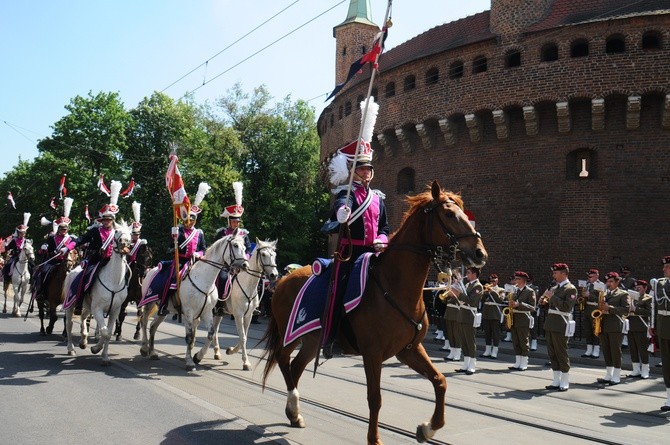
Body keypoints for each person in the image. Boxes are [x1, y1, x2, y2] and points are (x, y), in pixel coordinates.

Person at [322, 98, 389, 353]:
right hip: (351, 254)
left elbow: (384, 227)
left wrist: (383, 240)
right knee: (337, 290)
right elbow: (340, 207)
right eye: (361, 169)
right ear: (352, 171)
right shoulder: (347, 193)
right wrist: (342, 213)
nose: (366, 173)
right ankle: (331, 335)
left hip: (373, 253)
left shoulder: (377, 198)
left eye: (368, 169)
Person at [141, 183, 210, 316]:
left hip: (195, 262)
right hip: (180, 262)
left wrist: (199, 253)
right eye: (189, 219)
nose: (190, 222)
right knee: (170, 279)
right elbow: (169, 248)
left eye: (193, 220)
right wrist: (174, 241)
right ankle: (163, 304)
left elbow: (204, 249)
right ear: (185, 219)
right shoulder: (179, 230)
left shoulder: (199, 233)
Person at [64, 200, 119, 314]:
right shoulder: (95, 231)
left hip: (112, 261)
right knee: (84, 277)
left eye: (109, 220)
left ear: (112, 221)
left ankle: (120, 304)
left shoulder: (117, 232)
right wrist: (67, 248)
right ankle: (79, 302)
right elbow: (81, 239)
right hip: (96, 260)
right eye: (105, 219)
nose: (107, 222)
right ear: (101, 220)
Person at [540, 263, 577, 391]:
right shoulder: (555, 288)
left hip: (561, 323)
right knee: (552, 353)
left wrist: (552, 297)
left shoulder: (570, 289)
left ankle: (565, 380)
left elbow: (567, 307)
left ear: (563, 273)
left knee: (561, 352)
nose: (553, 275)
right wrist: (543, 301)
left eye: (556, 273)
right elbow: (549, 304)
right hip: (551, 323)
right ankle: (556, 380)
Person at [32, 199, 75, 300]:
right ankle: (41, 292)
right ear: (59, 229)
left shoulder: (71, 239)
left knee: (75, 276)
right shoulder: (52, 238)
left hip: (66, 262)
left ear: (67, 229)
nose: (63, 231)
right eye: (61, 229)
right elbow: (47, 245)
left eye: (65, 229)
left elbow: (74, 246)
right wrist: (45, 247)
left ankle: (72, 297)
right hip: (52, 261)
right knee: (44, 272)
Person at [595, 272, 630, 386]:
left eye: (611, 282)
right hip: (604, 325)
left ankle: (616, 375)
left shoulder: (623, 294)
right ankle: (608, 374)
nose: (608, 284)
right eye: (607, 281)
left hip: (615, 325)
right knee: (606, 350)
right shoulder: (604, 294)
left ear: (617, 282)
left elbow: (626, 310)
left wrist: (609, 308)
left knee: (615, 350)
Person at [452, 267, 483, 375]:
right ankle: (465, 364)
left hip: (470, 316)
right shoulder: (467, 285)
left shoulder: (478, 286)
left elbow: (472, 301)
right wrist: (455, 289)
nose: (467, 275)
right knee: (464, 341)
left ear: (474, 274)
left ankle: (472, 365)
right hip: (462, 315)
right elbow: (461, 299)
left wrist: (458, 293)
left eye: (469, 273)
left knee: (470, 341)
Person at [507, 271, 537, 371]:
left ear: (523, 280)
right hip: (514, 318)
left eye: (518, 279)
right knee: (515, 341)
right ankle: (517, 362)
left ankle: (524, 362)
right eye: (515, 279)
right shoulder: (514, 291)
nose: (515, 281)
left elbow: (532, 307)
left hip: (523, 318)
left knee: (523, 341)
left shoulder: (530, 291)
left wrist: (519, 304)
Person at [653, 256, 670, 411]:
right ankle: (669, 397)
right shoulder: (661, 283)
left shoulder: (663, 285)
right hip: (664, 326)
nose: (664, 269)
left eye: (667, 267)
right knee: (666, 363)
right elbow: (656, 306)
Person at [627, 279, 652, 379]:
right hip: (631, 326)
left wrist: (636, 309)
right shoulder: (631, 298)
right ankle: (636, 369)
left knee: (643, 349)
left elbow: (649, 312)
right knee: (633, 349)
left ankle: (645, 369)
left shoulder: (648, 298)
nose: (637, 289)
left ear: (645, 288)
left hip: (642, 327)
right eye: (635, 288)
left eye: (639, 288)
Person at [2, 213, 34, 282]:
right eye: (21, 232)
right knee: (8, 265)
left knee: (32, 266)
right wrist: (6, 245)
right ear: (18, 232)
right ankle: (7, 280)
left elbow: (30, 250)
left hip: (25, 257)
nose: (22, 234)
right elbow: (8, 248)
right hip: (15, 256)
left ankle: (31, 280)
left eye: (24, 233)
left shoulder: (27, 241)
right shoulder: (14, 240)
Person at [480, 273, 504, 359]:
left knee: (495, 333)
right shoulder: (486, 289)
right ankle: (487, 350)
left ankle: (495, 351)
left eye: (494, 280)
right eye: (490, 281)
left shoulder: (501, 290)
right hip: (486, 313)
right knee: (487, 333)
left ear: (497, 281)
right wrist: (485, 293)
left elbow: (500, 300)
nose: (492, 282)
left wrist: (493, 292)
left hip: (495, 313)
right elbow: (481, 300)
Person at [582, 268, 603, 359]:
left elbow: (601, 299)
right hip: (587, 308)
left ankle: (596, 350)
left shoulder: (600, 285)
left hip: (595, 308)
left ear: (596, 276)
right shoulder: (587, 284)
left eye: (590, 276)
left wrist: (589, 295)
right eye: (588, 276)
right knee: (588, 329)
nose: (588, 278)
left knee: (596, 329)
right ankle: (589, 349)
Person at [527, 274, 541, 351]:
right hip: (524, 309)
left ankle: (534, 342)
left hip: (532, 310)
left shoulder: (535, 288)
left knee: (533, 326)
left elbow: (535, 296)